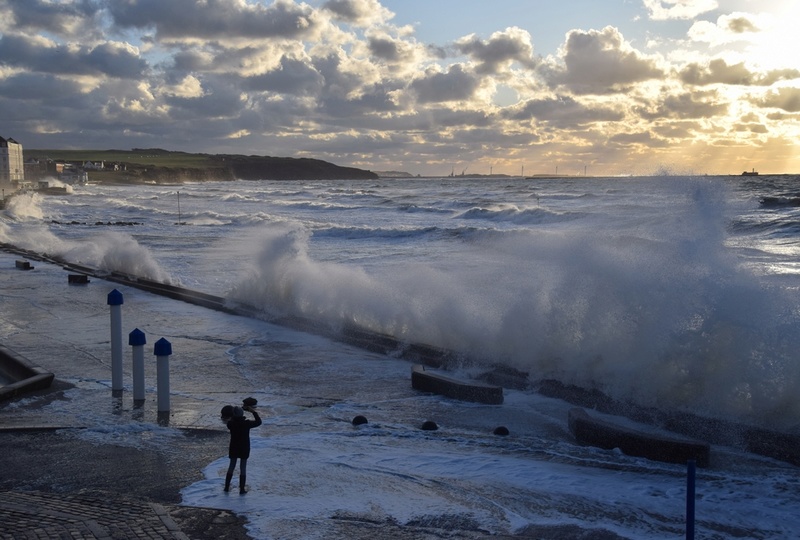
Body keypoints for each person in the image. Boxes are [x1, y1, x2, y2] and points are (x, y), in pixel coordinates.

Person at [225, 404, 262, 494]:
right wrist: (253, 411)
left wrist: (234, 414)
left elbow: (230, 419)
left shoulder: (231, 424)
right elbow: (259, 422)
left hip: (234, 447)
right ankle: (242, 489)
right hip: (244, 448)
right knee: (243, 468)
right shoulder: (247, 423)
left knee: (231, 466)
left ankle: (226, 487)